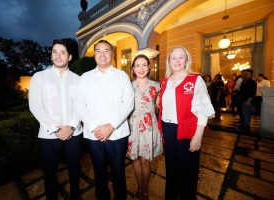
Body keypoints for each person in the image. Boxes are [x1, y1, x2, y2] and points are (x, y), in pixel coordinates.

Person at [77, 40, 134, 200]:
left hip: (118, 133)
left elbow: (128, 103)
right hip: (93, 134)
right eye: (99, 51)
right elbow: (80, 105)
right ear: (94, 54)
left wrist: (111, 126)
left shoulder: (122, 76)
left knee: (118, 171)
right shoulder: (85, 77)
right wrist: (96, 127)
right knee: (99, 171)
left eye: (106, 50)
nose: (102, 54)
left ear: (112, 54)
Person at [157, 46, 215, 200]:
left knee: (188, 173)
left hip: (188, 131)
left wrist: (197, 137)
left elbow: (203, 110)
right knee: (171, 169)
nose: (177, 60)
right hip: (168, 130)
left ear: (186, 60)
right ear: (169, 61)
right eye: (173, 57)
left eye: (181, 57)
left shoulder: (195, 79)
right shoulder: (165, 81)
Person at [29, 39, 82, 200]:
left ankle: (75, 196)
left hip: (74, 134)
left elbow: (81, 105)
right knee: (50, 172)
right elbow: (36, 106)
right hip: (49, 135)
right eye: (54, 52)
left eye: (62, 52)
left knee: (75, 170)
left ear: (70, 56)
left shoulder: (78, 79)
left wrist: (71, 126)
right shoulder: (39, 77)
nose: (58, 56)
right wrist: (57, 128)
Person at [126, 54, 163, 200]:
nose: (141, 68)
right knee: (135, 158)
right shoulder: (128, 85)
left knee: (146, 160)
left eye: (144, 65)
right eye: (137, 65)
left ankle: (145, 189)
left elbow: (162, 106)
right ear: (133, 69)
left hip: (149, 126)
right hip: (133, 125)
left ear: (149, 67)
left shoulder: (156, 86)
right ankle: (139, 187)